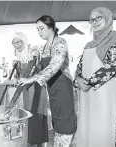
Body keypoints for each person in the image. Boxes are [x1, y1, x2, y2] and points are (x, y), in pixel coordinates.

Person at [74, 7, 116, 147]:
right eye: (92, 19)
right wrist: (78, 80)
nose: (95, 21)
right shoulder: (88, 45)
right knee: (91, 130)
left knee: (108, 132)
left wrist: (87, 82)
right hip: (90, 98)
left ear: (108, 18)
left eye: (99, 17)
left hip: (111, 97)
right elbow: (79, 69)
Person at [18, 15, 76, 147]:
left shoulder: (60, 43)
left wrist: (33, 78)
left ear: (51, 28)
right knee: (57, 119)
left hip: (63, 88)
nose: (39, 32)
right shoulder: (44, 47)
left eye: (42, 28)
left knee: (65, 120)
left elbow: (55, 65)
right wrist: (28, 76)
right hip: (53, 88)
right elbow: (41, 67)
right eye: (37, 29)